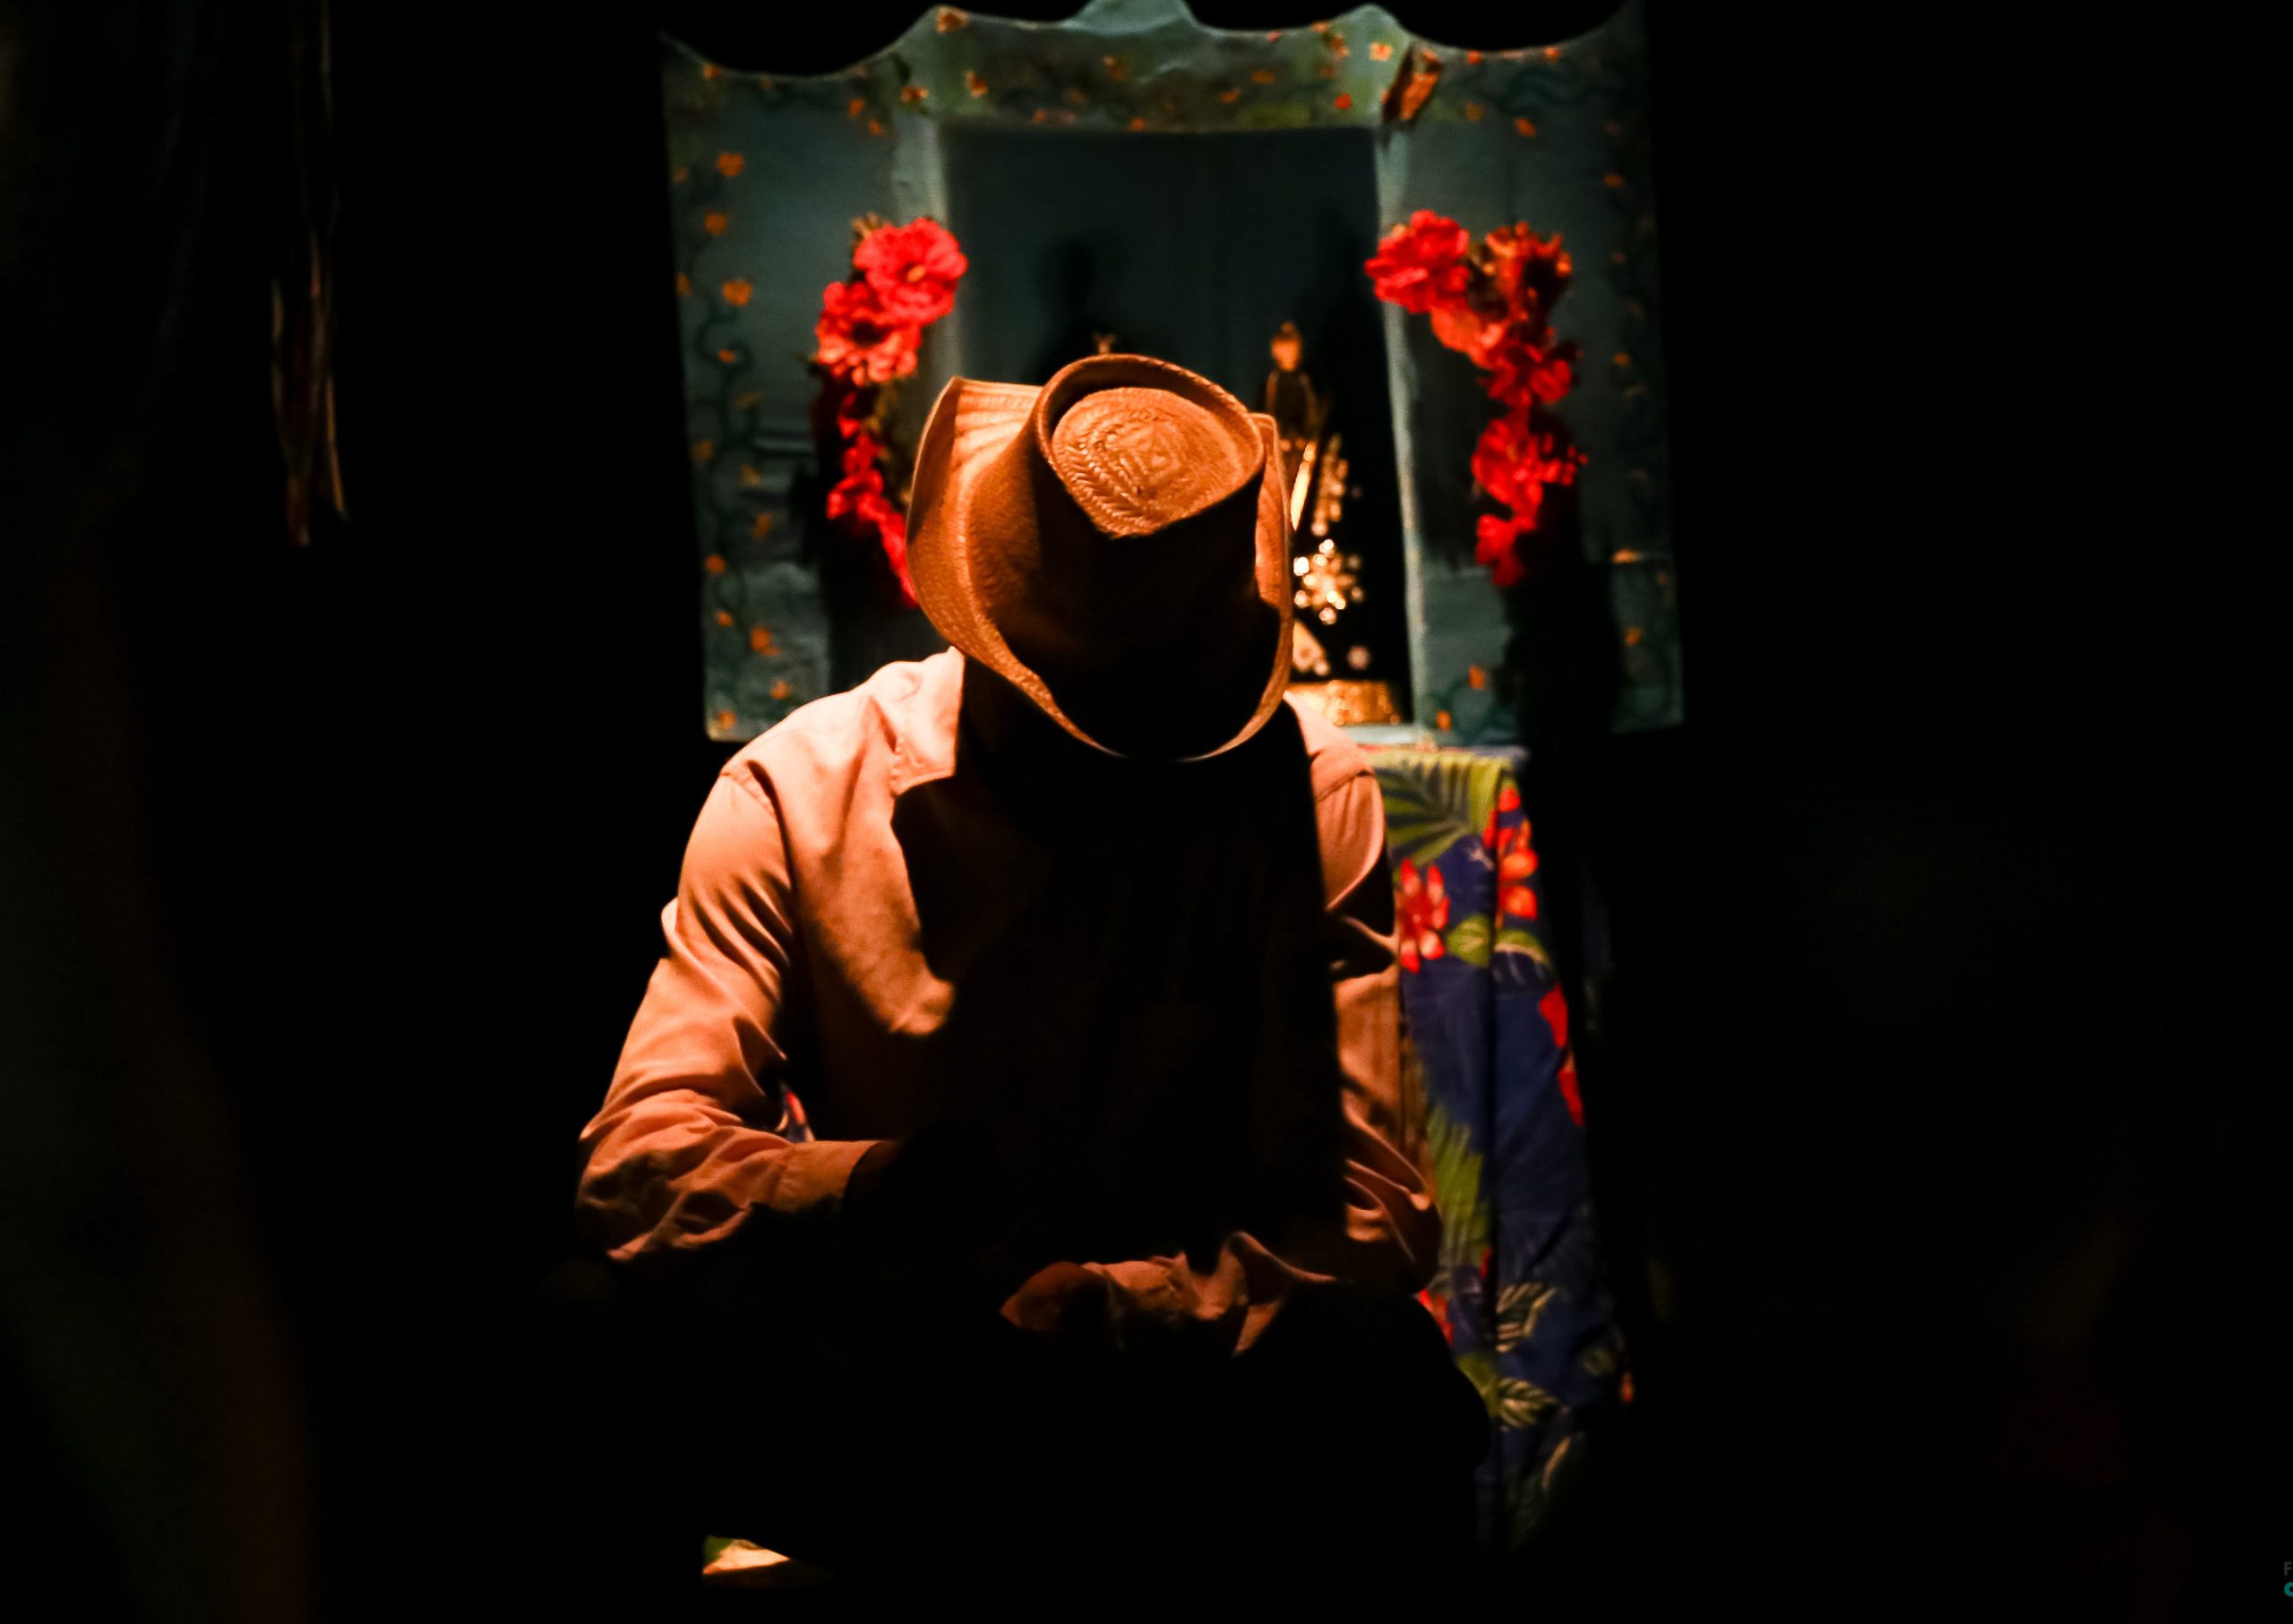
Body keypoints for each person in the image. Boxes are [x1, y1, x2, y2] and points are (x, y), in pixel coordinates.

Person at [553, 354, 1485, 1609]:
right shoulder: (794, 790)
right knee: (585, 1330)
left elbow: (1367, 1215)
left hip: (1174, 1409)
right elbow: (635, 1164)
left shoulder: (1302, 796)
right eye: (1076, 719)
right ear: (981, 630)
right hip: (891, 1386)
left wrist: (1124, 1309)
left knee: (1386, 1382)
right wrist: (866, 1190)